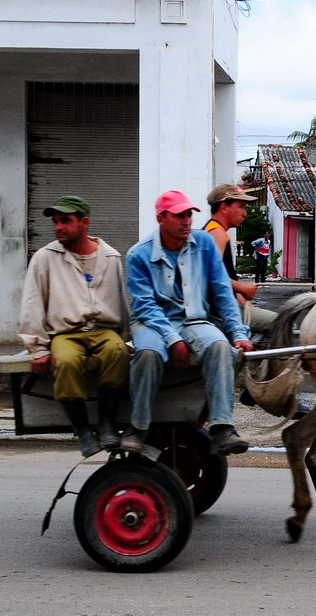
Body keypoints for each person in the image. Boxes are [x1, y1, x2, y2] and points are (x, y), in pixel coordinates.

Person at [121, 190, 254, 455]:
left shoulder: (203, 244)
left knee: (220, 347)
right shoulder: (138, 254)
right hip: (152, 323)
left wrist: (238, 331)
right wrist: (173, 339)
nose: (186, 221)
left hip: (193, 320)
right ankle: (138, 426)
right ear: (161, 218)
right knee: (147, 354)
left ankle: (221, 428)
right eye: (179, 215)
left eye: (189, 214)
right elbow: (146, 306)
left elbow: (222, 293)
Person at [18, 195, 129, 457]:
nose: (58, 227)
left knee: (117, 352)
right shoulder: (45, 258)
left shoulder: (110, 257)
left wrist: (125, 338)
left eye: (65, 221)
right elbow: (33, 302)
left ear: (84, 222)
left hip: (103, 330)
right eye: (55, 222)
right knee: (66, 362)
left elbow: (121, 302)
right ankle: (82, 430)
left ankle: (106, 424)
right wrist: (38, 348)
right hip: (65, 333)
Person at [203, 183, 277, 335]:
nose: (245, 213)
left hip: (223, 305)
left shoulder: (213, 230)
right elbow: (210, 276)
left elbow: (224, 276)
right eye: (241, 207)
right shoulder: (217, 234)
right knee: (281, 321)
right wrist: (241, 288)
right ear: (224, 208)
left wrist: (241, 299)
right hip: (220, 311)